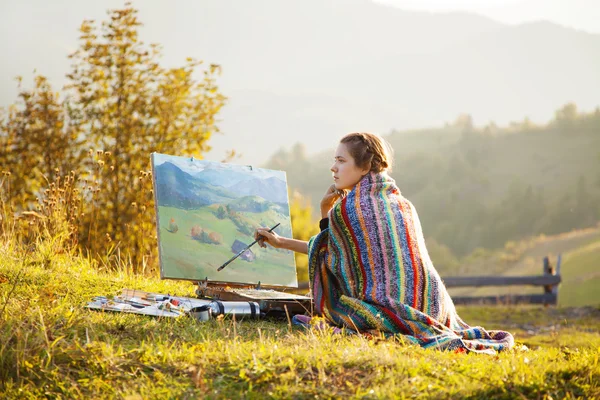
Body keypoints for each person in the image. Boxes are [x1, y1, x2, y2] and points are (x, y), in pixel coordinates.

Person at [255, 132, 514, 354]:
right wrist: (281, 241)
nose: (333, 168)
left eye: (341, 161)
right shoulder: (402, 204)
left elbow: (329, 254)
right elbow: (337, 248)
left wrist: (325, 213)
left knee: (308, 320)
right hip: (435, 307)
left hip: (391, 309)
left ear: (365, 167)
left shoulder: (349, 209)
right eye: (334, 160)